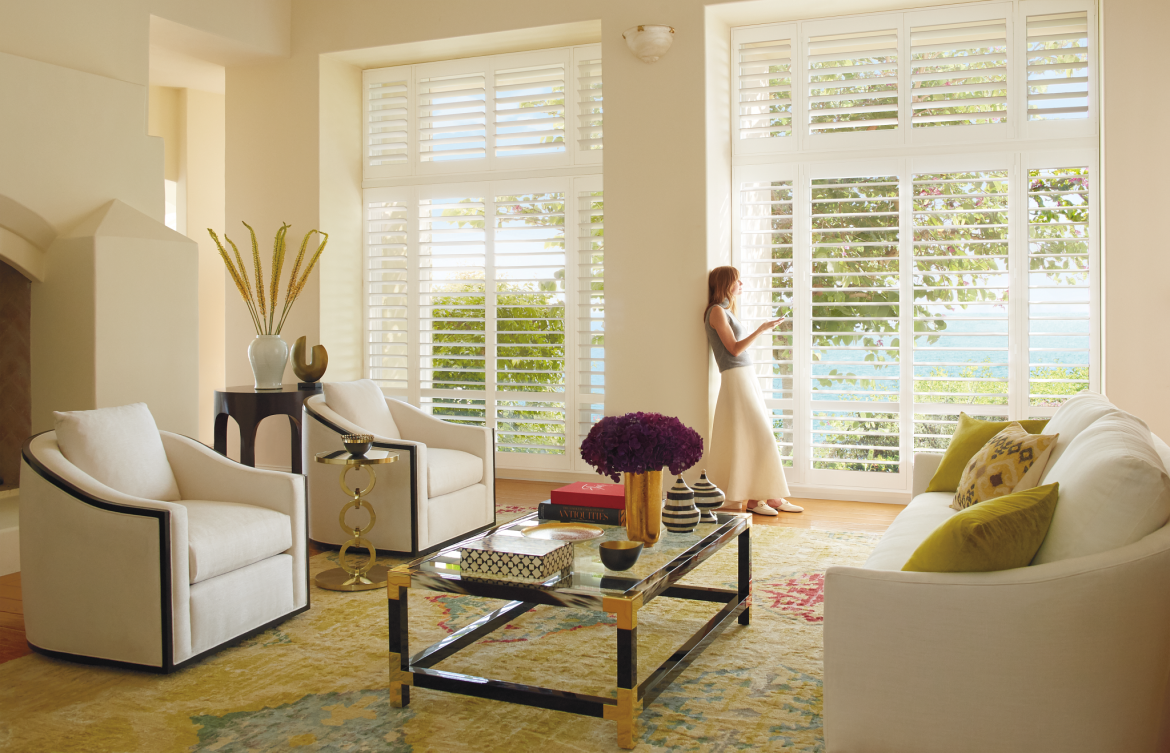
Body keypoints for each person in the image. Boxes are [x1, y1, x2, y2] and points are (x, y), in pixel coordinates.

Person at [704, 266, 803, 515]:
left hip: (745, 375)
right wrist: (761, 329)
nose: (741, 284)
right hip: (735, 376)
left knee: (757, 436)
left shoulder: (726, 311)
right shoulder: (716, 312)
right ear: (726, 284)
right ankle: (756, 499)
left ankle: (770, 497)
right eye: (738, 280)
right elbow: (734, 349)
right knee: (758, 435)